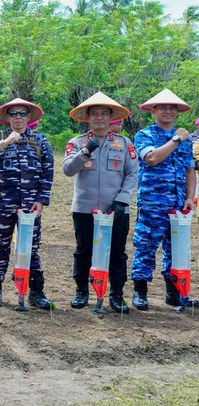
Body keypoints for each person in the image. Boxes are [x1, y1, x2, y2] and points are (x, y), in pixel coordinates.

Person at [62, 92, 138, 313]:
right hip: (85, 208)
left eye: (104, 113)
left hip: (116, 209)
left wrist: (122, 201)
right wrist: (86, 151)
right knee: (83, 251)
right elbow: (68, 170)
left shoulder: (124, 144)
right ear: (87, 117)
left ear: (110, 116)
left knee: (117, 252)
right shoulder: (77, 142)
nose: (99, 118)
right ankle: (81, 291)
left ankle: (116, 295)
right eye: (94, 114)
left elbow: (132, 174)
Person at [0, 98, 54, 310]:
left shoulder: (40, 140)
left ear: (29, 117)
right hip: (3, 204)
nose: (18, 117)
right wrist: (4, 144)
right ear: (7, 118)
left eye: (22, 113)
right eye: (13, 114)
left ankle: (36, 292)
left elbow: (48, 172)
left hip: (31, 206)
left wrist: (41, 200)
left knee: (31, 248)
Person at [130, 88, 196, 310]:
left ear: (177, 112)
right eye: (163, 107)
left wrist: (190, 197)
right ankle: (140, 291)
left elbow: (190, 170)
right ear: (154, 111)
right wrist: (177, 138)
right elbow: (153, 158)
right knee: (146, 245)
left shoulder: (185, 140)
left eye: (172, 108)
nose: (168, 111)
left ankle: (175, 293)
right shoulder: (145, 135)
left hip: (179, 204)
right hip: (153, 202)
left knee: (176, 248)